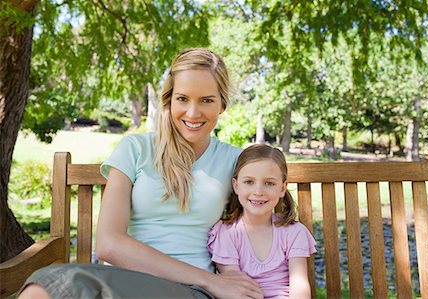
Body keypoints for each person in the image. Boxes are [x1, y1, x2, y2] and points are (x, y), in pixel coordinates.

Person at [18, 48, 263, 299]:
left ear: (222, 103)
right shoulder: (135, 149)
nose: (192, 113)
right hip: (126, 283)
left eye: (207, 100)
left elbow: (267, 231)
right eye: (182, 99)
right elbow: (109, 244)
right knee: (43, 289)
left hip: (191, 292)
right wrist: (210, 280)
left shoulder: (235, 161)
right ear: (168, 100)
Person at [207, 144, 316, 299]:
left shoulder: (293, 232)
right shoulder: (227, 233)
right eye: (249, 182)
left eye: (269, 183)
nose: (258, 192)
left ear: (282, 189)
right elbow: (235, 289)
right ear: (236, 186)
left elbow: (299, 285)